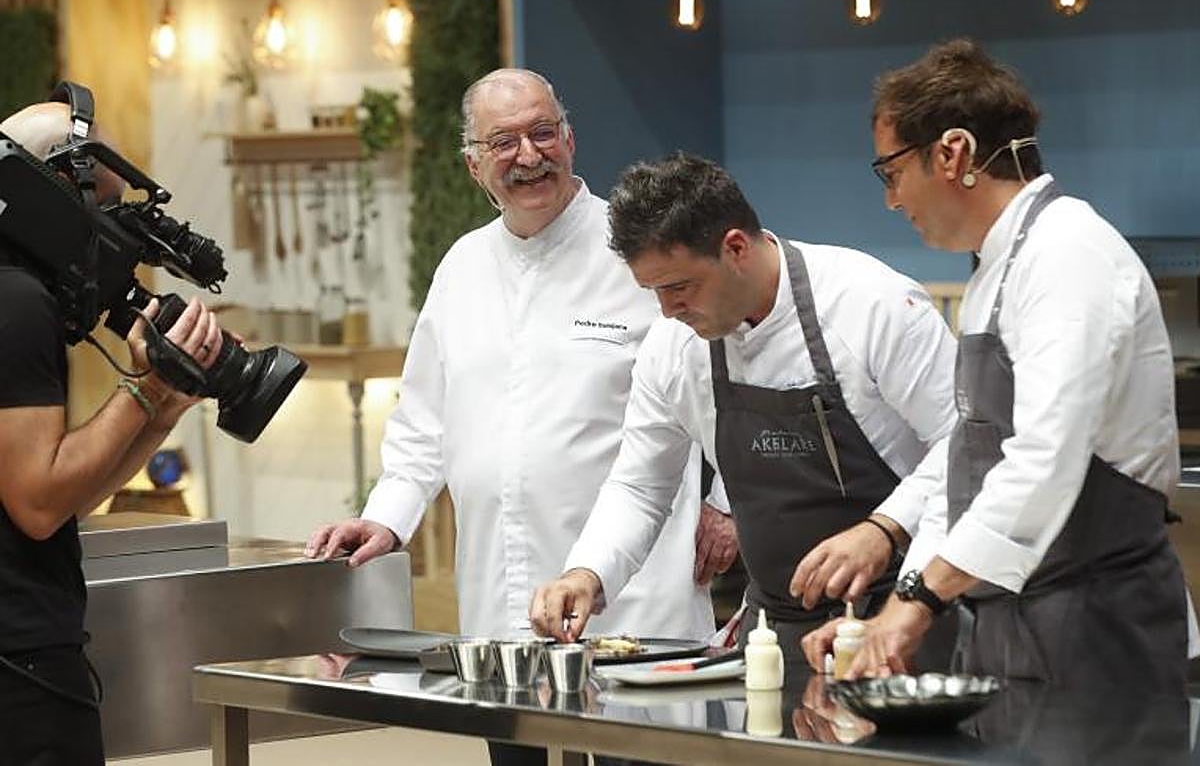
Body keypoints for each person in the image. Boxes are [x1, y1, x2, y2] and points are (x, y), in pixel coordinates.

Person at [304, 70, 721, 766]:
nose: (529, 155)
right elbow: (422, 425)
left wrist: (726, 504)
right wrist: (385, 519)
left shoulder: (639, 253)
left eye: (542, 132)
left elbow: (725, 378)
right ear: (475, 166)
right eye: (503, 142)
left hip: (638, 608)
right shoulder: (461, 268)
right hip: (502, 620)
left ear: (570, 139)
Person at [802, 38, 1192, 694]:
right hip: (1015, 627)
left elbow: (1043, 460)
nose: (892, 200)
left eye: (891, 172)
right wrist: (900, 603)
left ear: (952, 153)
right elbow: (968, 467)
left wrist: (917, 602)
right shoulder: (995, 269)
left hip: (1101, 629)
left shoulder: (1067, 252)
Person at [529, 152, 960, 664]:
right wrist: (586, 572)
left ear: (735, 248)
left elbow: (965, 444)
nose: (667, 310)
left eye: (679, 287)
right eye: (653, 291)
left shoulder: (871, 305)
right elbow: (641, 485)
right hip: (774, 634)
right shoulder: (674, 346)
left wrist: (884, 528)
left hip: (905, 616)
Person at [0, 102, 222, 764]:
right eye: (104, 206)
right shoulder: (16, 302)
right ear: (54, 192)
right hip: (22, 668)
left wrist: (160, 410)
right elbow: (39, 504)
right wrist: (144, 388)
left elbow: (66, 492)